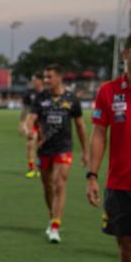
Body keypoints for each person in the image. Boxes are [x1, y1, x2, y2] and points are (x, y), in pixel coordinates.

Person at [86, 31, 131, 262]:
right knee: (127, 255)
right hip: (120, 186)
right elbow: (99, 135)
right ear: (125, 54)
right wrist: (92, 175)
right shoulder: (108, 91)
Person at [25, 64, 88, 243]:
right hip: (44, 149)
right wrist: (30, 130)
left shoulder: (71, 99)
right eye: (44, 77)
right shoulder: (41, 97)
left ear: (59, 77)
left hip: (64, 148)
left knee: (59, 183)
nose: (45, 80)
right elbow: (31, 119)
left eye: (49, 77)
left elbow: (80, 126)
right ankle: (53, 215)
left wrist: (85, 151)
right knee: (47, 187)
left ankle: (55, 226)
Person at [20, 72, 44, 178]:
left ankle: (40, 168)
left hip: (44, 123)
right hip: (32, 123)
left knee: (41, 146)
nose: (33, 82)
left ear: (40, 80)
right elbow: (25, 109)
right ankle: (31, 169)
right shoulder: (29, 93)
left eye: (34, 80)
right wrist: (22, 123)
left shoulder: (47, 93)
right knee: (30, 145)